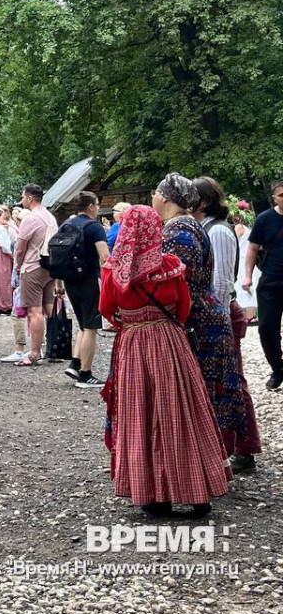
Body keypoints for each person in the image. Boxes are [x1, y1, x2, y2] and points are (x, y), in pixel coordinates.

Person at [100, 205, 228, 517]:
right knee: (183, 413)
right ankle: (198, 492)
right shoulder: (170, 265)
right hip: (171, 344)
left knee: (139, 414)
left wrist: (133, 321)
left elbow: (106, 310)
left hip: (134, 345)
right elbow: (183, 309)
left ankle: (152, 495)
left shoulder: (114, 270)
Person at [155, 173, 256, 464]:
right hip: (209, 317)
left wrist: (219, 320)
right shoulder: (195, 227)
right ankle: (222, 454)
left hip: (210, 318)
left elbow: (221, 281)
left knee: (225, 388)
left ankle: (236, 451)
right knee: (222, 386)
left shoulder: (203, 231)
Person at [194, 176, 260, 473]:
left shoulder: (218, 231)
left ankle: (244, 448)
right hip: (216, 316)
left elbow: (220, 282)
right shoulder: (206, 227)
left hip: (220, 315)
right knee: (224, 382)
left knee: (231, 382)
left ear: (203, 201)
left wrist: (214, 323)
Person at [61, 192, 109, 389]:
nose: (98, 208)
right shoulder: (94, 227)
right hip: (89, 279)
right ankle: (86, 374)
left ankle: (75, 362)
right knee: (92, 326)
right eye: (97, 204)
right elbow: (105, 256)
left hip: (69, 279)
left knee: (82, 324)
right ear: (90, 207)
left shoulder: (67, 224)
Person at [13, 184, 60, 367]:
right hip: (50, 267)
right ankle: (53, 347)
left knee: (34, 311)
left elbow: (20, 248)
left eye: (23, 196)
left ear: (30, 198)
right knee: (49, 309)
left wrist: (18, 266)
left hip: (32, 267)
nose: (22, 200)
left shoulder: (30, 219)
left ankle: (34, 353)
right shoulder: (50, 217)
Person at [243, 179, 283, 390]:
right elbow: (252, 249)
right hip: (271, 280)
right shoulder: (264, 219)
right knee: (267, 326)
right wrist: (248, 276)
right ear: (274, 197)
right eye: (282, 195)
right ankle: (278, 368)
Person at [232, 205, 260, 323]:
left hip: (243, 260)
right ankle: (251, 316)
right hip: (248, 259)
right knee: (250, 289)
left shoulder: (238, 227)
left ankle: (248, 316)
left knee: (243, 286)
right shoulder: (249, 228)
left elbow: (234, 241)